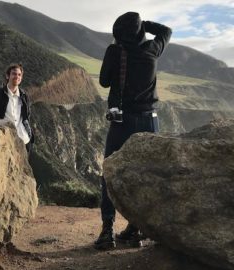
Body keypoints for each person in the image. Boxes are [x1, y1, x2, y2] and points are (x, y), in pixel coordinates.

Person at [94, 12, 172, 250]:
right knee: (144, 175)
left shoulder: (115, 51)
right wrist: (144, 26)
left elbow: (105, 82)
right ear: (139, 31)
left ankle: (107, 230)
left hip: (123, 122)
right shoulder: (151, 49)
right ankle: (135, 229)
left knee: (109, 173)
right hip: (150, 121)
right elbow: (166, 31)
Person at [0, 63, 34, 153]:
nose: (17, 76)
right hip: (6, 141)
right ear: (7, 76)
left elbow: (26, 117)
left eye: (19, 74)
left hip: (24, 140)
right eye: (14, 74)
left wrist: (30, 136)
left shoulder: (24, 96)